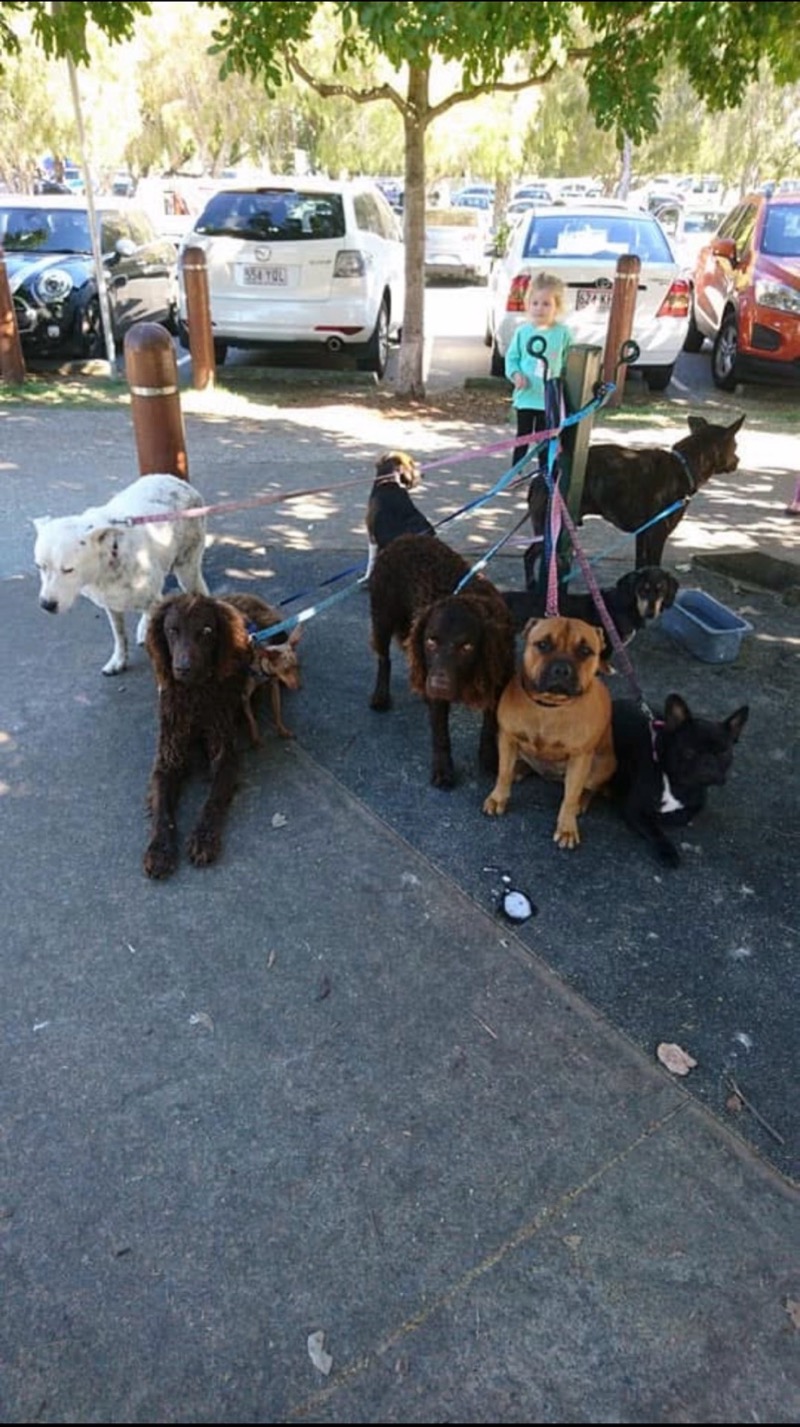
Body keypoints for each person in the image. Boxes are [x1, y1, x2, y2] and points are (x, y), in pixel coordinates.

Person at [504, 271, 571, 469]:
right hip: (526, 397)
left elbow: (569, 362)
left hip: (548, 399)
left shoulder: (563, 333)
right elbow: (512, 359)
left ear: (557, 306)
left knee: (544, 440)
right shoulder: (522, 332)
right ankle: (516, 472)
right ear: (528, 304)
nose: (539, 308)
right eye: (535, 303)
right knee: (523, 437)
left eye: (546, 304)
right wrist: (516, 375)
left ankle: (545, 474)